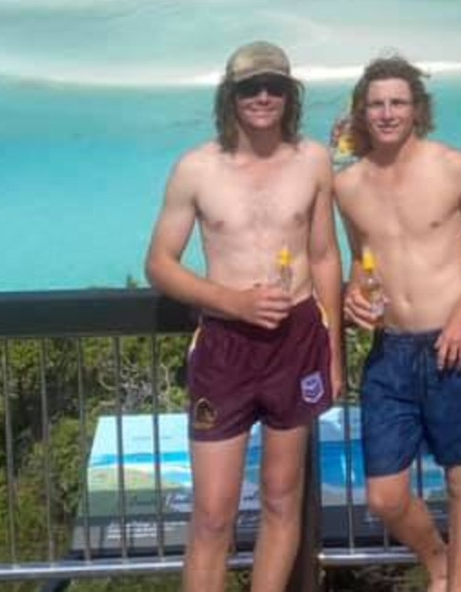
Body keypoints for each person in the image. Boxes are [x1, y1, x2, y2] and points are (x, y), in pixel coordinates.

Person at [145, 40, 343, 592]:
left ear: (290, 95)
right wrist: (231, 302)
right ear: (229, 96)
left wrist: (335, 355)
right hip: (226, 346)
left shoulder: (313, 161)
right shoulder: (196, 169)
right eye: (249, 87)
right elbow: (159, 263)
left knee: (283, 499)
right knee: (212, 513)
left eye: (274, 87)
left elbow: (326, 256)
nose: (262, 97)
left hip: (298, 339)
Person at [336, 55, 461, 592]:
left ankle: (459, 585)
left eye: (398, 103)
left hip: (453, 340)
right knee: (384, 496)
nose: (387, 113)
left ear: (417, 109)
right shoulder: (348, 187)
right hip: (390, 351)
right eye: (377, 104)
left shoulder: (453, 167)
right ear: (362, 112)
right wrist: (352, 295)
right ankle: (437, 558)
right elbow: (359, 263)